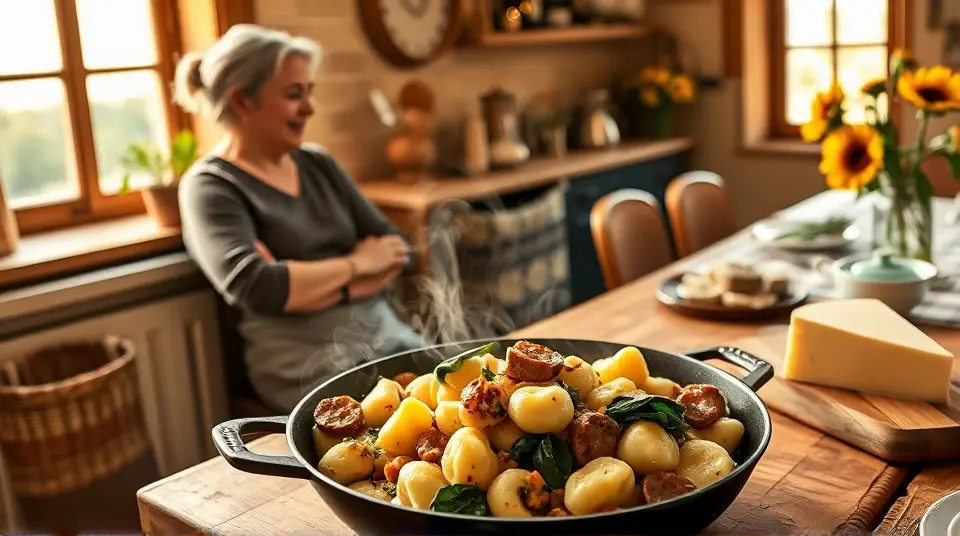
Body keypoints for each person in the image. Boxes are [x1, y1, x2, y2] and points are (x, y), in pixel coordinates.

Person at [173, 24, 424, 413]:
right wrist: (358, 265)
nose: (310, 108)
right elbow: (258, 286)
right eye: (294, 94)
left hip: (390, 341)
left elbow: (397, 249)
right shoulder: (210, 186)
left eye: (310, 91)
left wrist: (303, 285)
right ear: (243, 102)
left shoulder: (318, 163)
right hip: (305, 370)